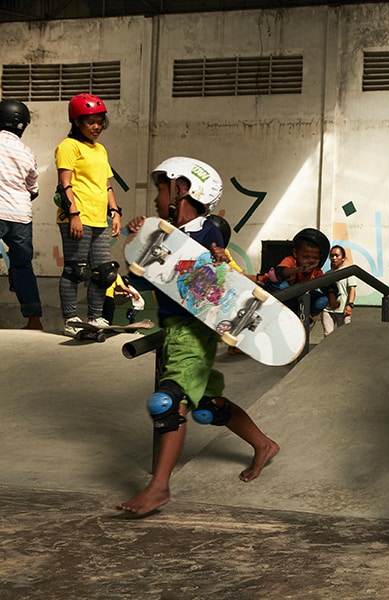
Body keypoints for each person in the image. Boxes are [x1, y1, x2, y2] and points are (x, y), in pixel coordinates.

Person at [117, 156, 279, 516]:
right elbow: (143, 279)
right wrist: (138, 241)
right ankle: (264, 444)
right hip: (173, 329)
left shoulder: (208, 232)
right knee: (205, 405)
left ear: (181, 190)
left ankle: (159, 488)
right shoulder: (163, 232)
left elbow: (217, 280)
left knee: (168, 402)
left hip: (196, 331)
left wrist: (219, 261)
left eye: (162, 190)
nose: (157, 199)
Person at [55, 93, 123, 336]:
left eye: (100, 121)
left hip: (99, 219)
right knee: (76, 270)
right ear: (76, 122)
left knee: (104, 272)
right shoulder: (68, 146)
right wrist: (73, 213)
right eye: (90, 122)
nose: (97, 127)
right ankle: (71, 320)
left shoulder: (100, 150)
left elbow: (106, 185)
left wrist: (114, 212)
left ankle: (95, 318)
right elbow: (65, 184)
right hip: (76, 217)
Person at [0, 99, 42, 330]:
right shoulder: (27, 152)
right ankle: (34, 320)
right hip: (20, 216)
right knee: (22, 266)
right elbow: (33, 188)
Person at [260, 228, 338, 318]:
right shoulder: (291, 261)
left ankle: (308, 316)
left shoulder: (316, 272)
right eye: (306, 257)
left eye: (315, 258)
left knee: (322, 300)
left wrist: (332, 298)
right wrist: (298, 270)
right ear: (295, 253)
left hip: (296, 301)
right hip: (277, 294)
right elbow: (277, 273)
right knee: (283, 285)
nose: (310, 261)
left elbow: (327, 285)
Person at [322, 245, 356, 337]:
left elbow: (352, 289)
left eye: (337, 255)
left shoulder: (348, 272)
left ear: (343, 258)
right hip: (328, 309)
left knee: (344, 336)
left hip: (343, 310)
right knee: (328, 335)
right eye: (332, 256)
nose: (334, 258)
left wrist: (350, 305)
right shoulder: (327, 274)